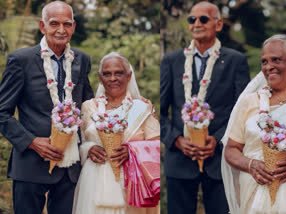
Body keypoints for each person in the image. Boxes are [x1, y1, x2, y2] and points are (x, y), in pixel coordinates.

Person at [0, 1, 94, 214]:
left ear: (74, 26)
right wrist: (32, 142)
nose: (61, 30)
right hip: (31, 165)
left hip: (70, 168)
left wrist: (130, 105)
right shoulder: (21, 60)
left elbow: (89, 105)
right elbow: (1, 113)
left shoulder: (81, 60)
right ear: (43, 26)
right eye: (54, 24)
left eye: (67, 24)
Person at [160, 2, 250, 214]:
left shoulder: (236, 61)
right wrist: (177, 140)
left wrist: (218, 139)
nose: (196, 24)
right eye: (192, 19)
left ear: (218, 24)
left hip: (219, 161)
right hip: (179, 161)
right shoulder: (171, 60)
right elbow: (161, 113)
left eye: (203, 19)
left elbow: (242, 112)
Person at [222, 34, 286, 214]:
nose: (269, 67)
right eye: (264, 62)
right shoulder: (249, 102)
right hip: (253, 198)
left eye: (276, 60)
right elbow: (231, 149)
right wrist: (251, 164)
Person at [72, 52, 160, 214]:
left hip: (132, 185)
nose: (113, 78)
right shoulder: (88, 107)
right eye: (107, 74)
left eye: (118, 73)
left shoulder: (142, 107)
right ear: (100, 78)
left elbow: (158, 146)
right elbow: (77, 143)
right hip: (94, 183)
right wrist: (88, 149)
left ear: (129, 76)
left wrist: (132, 151)